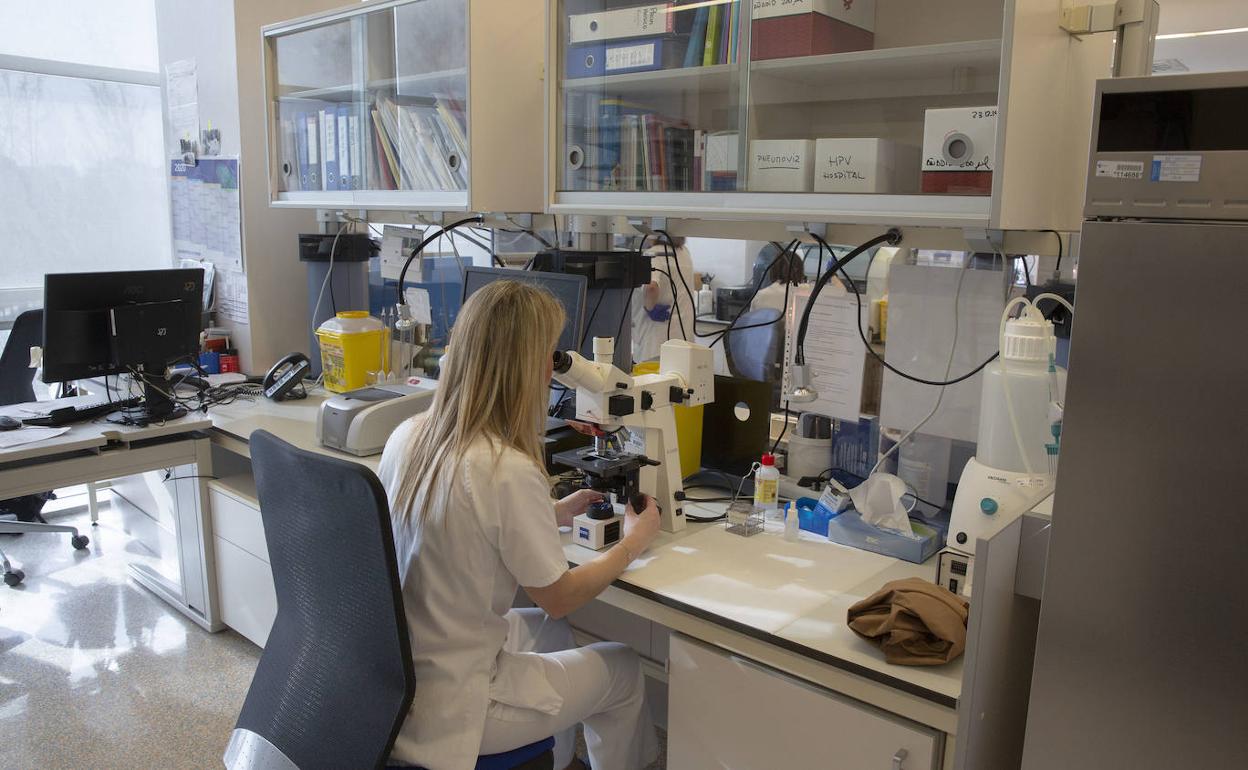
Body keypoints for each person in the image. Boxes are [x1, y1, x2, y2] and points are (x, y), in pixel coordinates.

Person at [378, 280, 662, 770]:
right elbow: (560, 594)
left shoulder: (410, 435)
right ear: (523, 366)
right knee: (622, 667)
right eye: (547, 357)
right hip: (457, 708)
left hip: (404, 678)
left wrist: (552, 513)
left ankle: (550, 757)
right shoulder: (504, 467)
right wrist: (634, 542)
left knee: (547, 630)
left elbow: (457, 525)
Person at [631, 235, 699, 364]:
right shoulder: (684, 253)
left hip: (655, 343)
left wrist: (650, 309)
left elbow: (651, 287)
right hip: (683, 341)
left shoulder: (654, 254)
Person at [751, 243, 808, 314]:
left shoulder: (760, 296)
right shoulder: (807, 293)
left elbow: (753, 322)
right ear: (799, 270)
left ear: (773, 270)